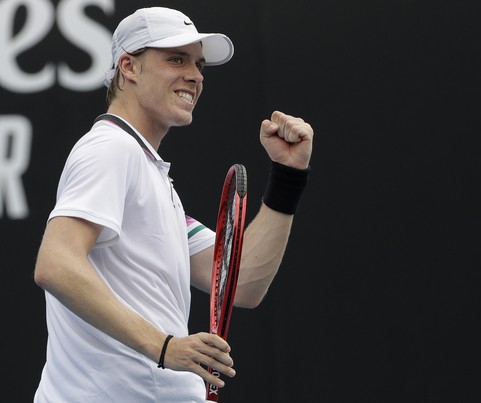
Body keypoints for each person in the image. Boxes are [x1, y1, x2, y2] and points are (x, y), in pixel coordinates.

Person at [33, 6, 313, 402]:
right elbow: (56, 265)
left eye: (199, 64)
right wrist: (164, 346)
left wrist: (288, 177)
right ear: (129, 67)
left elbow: (242, 283)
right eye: (176, 59)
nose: (195, 75)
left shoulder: (149, 176)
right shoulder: (111, 149)